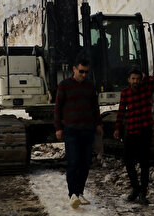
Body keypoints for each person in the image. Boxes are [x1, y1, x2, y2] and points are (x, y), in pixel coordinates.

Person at [54, 59, 102, 209]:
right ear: (74, 69)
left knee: (85, 163)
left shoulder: (89, 86)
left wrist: (99, 123)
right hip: (71, 130)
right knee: (74, 162)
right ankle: (72, 194)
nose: (84, 74)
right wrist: (58, 128)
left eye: (86, 72)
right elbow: (58, 108)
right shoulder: (64, 86)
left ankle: (80, 192)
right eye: (81, 71)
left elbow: (95, 107)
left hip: (88, 130)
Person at [114, 69, 154, 205]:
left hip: (144, 130)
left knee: (144, 163)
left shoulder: (146, 88)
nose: (135, 81)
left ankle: (143, 192)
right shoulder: (125, 93)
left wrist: (146, 77)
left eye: (137, 79)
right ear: (129, 80)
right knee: (128, 161)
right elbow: (121, 111)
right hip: (131, 131)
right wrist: (117, 128)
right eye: (133, 79)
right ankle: (135, 188)